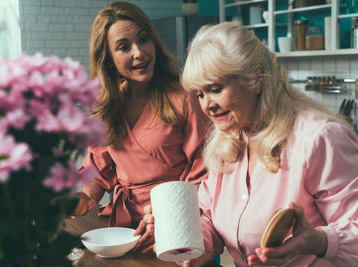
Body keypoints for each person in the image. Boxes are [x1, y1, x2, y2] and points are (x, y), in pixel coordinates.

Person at [135, 22, 358, 266]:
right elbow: (209, 220)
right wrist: (178, 231)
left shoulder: (319, 139)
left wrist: (318, 240)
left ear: (255, 78)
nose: (207, 105)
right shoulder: (227, 142)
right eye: (199, 94)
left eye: (215, 89)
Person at [72, 1, 208, 238]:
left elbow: (204, 169)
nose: (139, 52)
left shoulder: (185, 97)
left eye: (143, 39)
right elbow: (98, 167)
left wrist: (168, 211)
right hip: (125, 227)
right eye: (124, 47)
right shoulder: (107, 108)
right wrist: (85, 198)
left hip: (178, 220)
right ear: (108, 59)